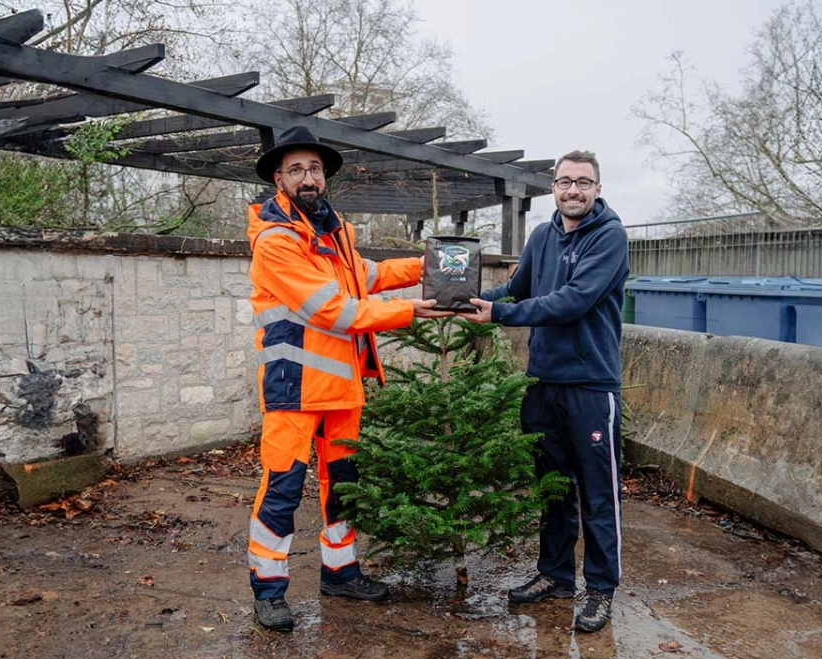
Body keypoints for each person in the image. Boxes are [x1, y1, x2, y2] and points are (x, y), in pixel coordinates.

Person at [245, 125, 448, 632]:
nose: (307, 177)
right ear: (279, 179)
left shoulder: (333, 231)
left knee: (344, 487)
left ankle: (341, 572)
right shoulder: (276, 241)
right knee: (283, 487)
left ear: (325, 177)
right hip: (293, 387)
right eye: (296, 170)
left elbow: (367, 276)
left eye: (314, 168)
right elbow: (331, 308)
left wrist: (428, 266)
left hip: (340, 388)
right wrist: (410, 311)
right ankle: (268, 590)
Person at [461, 150, 629, 632]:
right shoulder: (542, 235)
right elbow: (517, 288)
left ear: (597, 188)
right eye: (564, 182)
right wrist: (468, 302)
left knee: (599, 494)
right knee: (552, 487)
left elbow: (573, 301)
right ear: (552, 187)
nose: (572, 190)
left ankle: (601, 588)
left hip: (591, 387)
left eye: (583, 182)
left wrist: (501, 316)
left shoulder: (610, 237)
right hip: (543, 384)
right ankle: (555, 575)